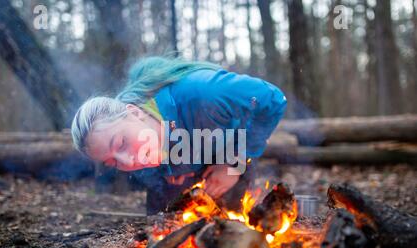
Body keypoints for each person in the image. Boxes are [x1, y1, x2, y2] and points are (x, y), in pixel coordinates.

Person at [71, 56, 287, 215]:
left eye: (121, 143)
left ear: (134, 112)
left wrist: (233, 163)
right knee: (161, 231)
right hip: (188, 155)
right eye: (112, 162)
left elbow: (272, 98)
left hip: (229, 149)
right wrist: (169, 167)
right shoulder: (134, 133)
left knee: (230, 230)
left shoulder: (203, 93)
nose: (128, 161)